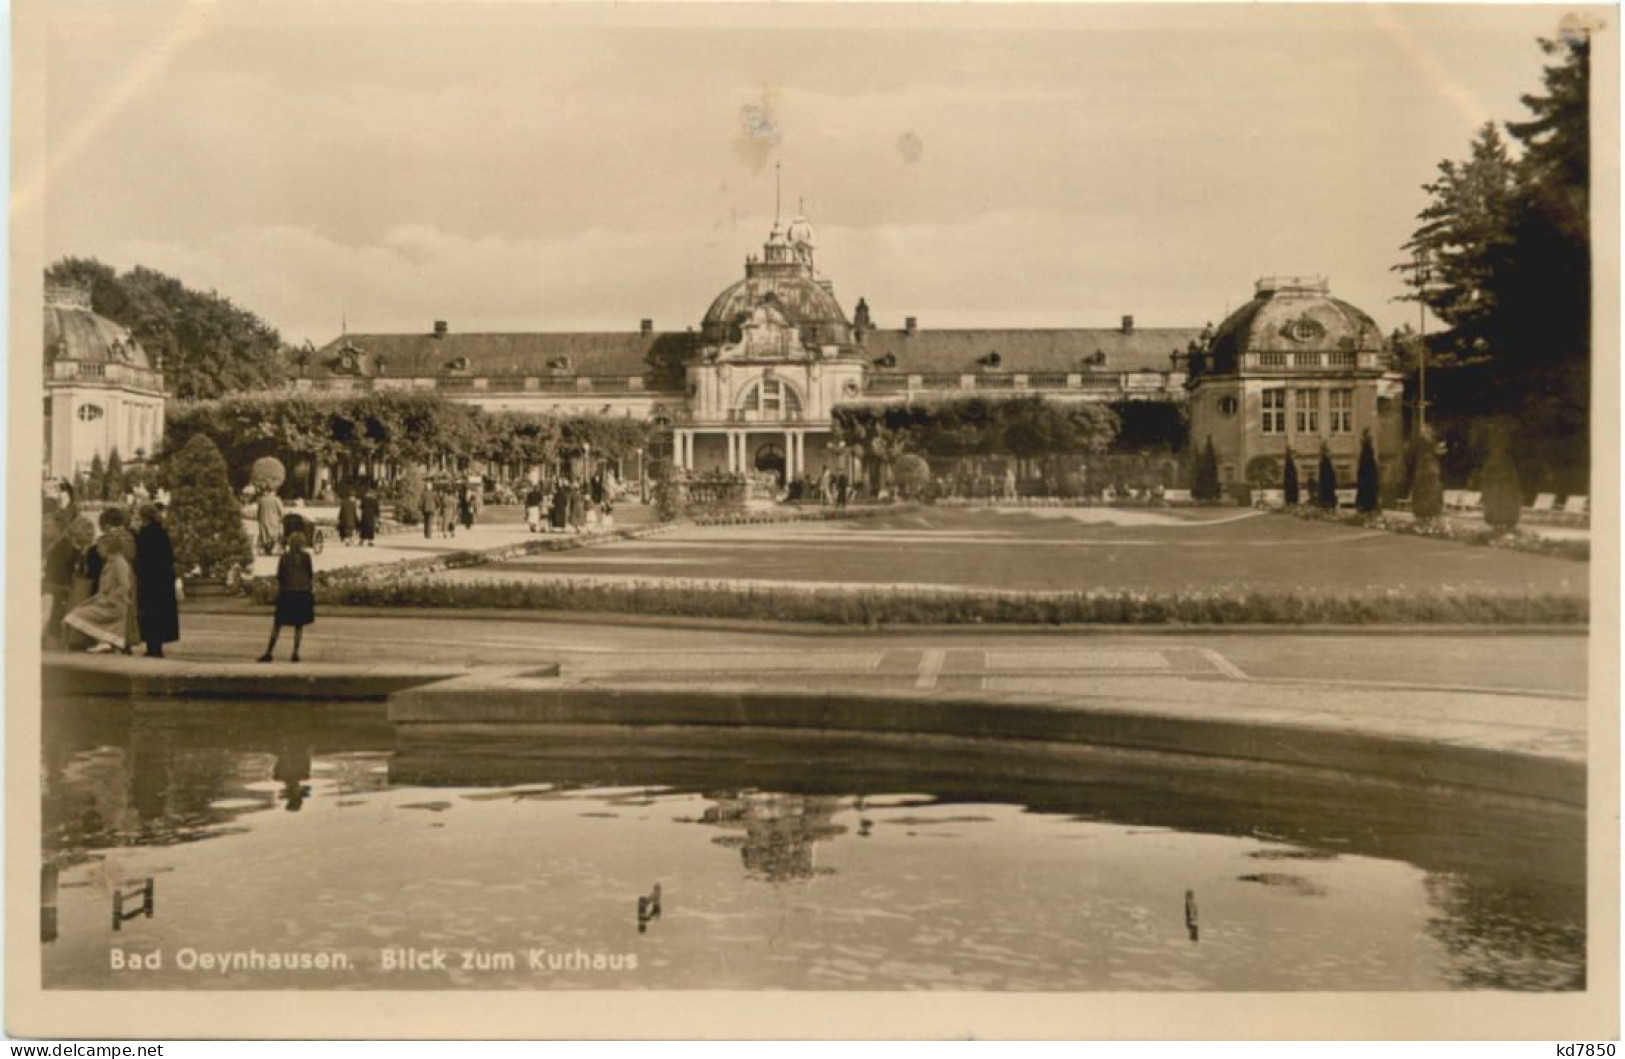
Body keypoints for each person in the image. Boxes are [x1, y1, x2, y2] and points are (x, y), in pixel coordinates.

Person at [64, 532, 135, 654]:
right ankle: (104, 642)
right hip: (106, 603)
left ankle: (104, 642)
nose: (98, 550)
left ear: (109, 547)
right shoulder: (110, 562)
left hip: (113, 605)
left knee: (76, 615)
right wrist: (86, 602)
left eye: (100, 547)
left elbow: (125, 586)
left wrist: (110, 598)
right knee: (77, 612)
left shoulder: (119, 563)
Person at [258, 532, 314, 663]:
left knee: (277, 624)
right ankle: (295, 653)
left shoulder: (284, 558)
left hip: (287, 592)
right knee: (299, 625)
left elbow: (280, 575)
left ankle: (269, 652)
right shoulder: (306, 557)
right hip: (302, 593)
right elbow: (310, 574)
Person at [133, 504, 179, 658]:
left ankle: (152, 646)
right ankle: (157, 646)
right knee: (160, 613)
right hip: (163, 579)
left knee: (149, 612)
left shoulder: (145, 534)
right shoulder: (162, 532)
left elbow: (140, 557)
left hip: (149, 579)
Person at [255, 487, 284, 557]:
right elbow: (281, 512)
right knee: (273, 535)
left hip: (263, 520)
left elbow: (258, 512)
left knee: (265, 536)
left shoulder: (261, 500)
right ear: (272, 491)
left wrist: (259, 519)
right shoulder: (276, 500)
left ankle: (267, 550)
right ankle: (272, 549)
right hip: (274, 520)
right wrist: (281, 519)